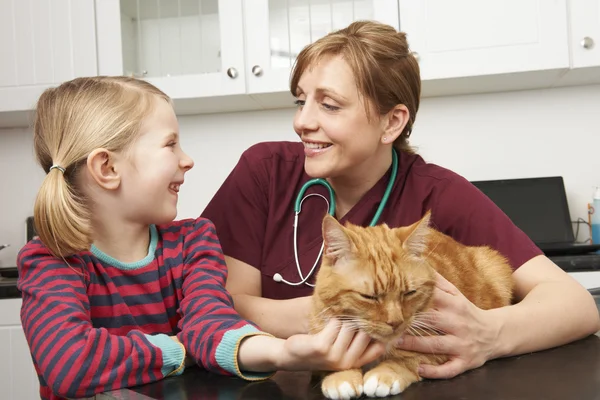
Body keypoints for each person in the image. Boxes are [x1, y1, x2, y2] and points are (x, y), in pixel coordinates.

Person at [201, 20, 600, 381]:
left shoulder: (437, 194)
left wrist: (489, 334)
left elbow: (575, 305)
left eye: (329, 105)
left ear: (391, 122)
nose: (302, 121)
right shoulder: (264, 172)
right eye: (300, 100)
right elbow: (215, 301)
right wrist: (321, 318)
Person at [17, 76, 385, 400]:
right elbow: (69, 363)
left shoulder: (193, 242)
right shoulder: (50, 261)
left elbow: (212, 324)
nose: (187, 159)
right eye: (170, 144)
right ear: (107, 168)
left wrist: (283, 353)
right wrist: (183, 350)